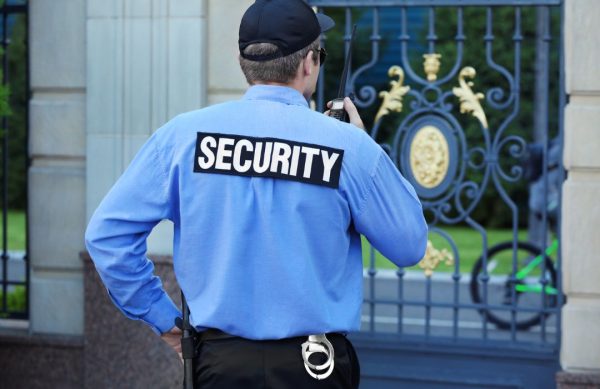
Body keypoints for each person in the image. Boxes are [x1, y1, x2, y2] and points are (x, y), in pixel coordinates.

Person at [84, 0, 428, 387]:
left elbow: (107, 238)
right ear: (309, 63)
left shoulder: (181, 137)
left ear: (242, 60)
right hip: (315, 367)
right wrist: (365, 149)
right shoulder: (349, 147)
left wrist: (164, 320)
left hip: (218, 365)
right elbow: (409, 245)